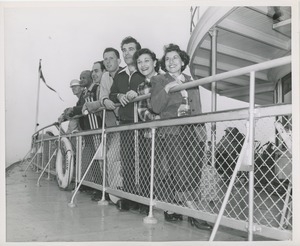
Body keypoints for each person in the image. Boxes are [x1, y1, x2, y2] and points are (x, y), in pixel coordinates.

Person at [150, 44, 212, 230]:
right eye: (167, 59)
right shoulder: (159, 80)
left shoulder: (190, 80)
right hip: (172, 131)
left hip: (192, 130)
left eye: (175, 58)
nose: (171, 62)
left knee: (194, 168)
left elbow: (197, 106)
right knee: (179, 169)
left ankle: (176, 207)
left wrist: (201, 130)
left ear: (183, 61)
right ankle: (194, 213)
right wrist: (167, 88)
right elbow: (155, 107)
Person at [109, 36, 144, 211]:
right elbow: (112, 94)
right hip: (125, 122)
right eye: (124, 50)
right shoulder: (120, 75)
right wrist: (119, 96)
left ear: (137, 50)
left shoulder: (144, 70)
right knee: (127, 160)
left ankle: (144, 199)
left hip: (143, 122)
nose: (127, 53)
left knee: (145, 161)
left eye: (130, 49)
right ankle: (130, 196)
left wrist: (136, 92)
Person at [128, 48, 160, 214]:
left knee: (167, 169)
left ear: (154, 62)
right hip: (150, 133)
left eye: (146, 60)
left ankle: (171, 207)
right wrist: (157, 119)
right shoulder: (141, 86)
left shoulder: (165, 79)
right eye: (139, 62)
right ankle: (147, 201)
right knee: (149, 168)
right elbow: (141, 111)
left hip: (169, 133)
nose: (143, 65)